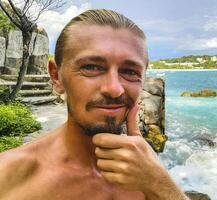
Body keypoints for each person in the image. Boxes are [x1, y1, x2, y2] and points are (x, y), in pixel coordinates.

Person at [0, 9, 189, 200]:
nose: (114, 89)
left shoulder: (147, 175)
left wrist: (161, 185)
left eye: (130, 72)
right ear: (56, 76)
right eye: (91, 67)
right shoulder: (9, 176)